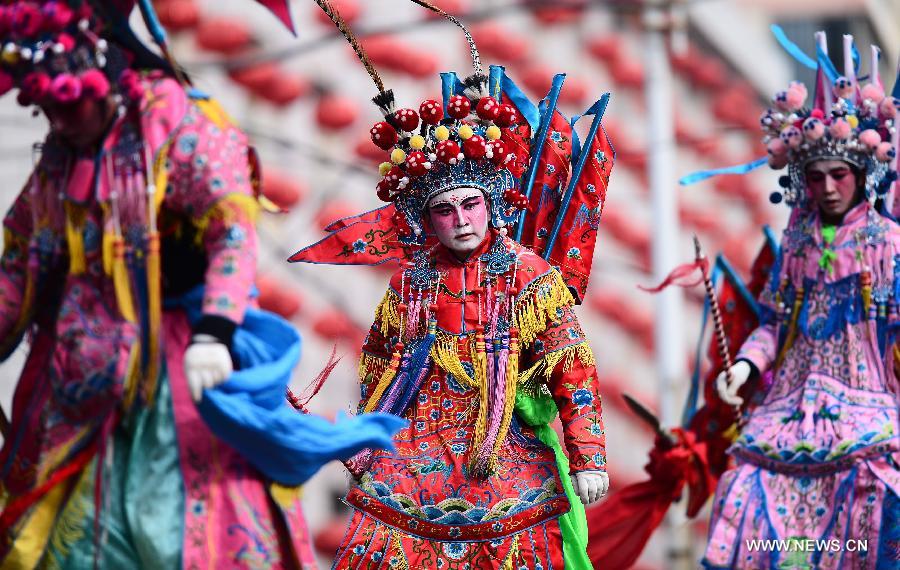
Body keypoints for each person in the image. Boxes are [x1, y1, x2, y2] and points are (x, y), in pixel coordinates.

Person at [0, 1, 402, 567]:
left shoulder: (178, 126)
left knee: (186, 526)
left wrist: (215, 329)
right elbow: (21, 263)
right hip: (80, 380)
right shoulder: (60, 162)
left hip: (180, 367)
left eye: (69, 104)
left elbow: (231, 231)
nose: (61, 121)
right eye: (46, 109)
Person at [706, 44, 900, 568]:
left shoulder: (889, 242)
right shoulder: (796, 245)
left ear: (862, 176)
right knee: (742, 485)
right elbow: (774, 321)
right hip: (792, 399)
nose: (829, 188)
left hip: (868, 397)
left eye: (840, 175)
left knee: (880, 489)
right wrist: (746, 365)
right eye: (816, 178)